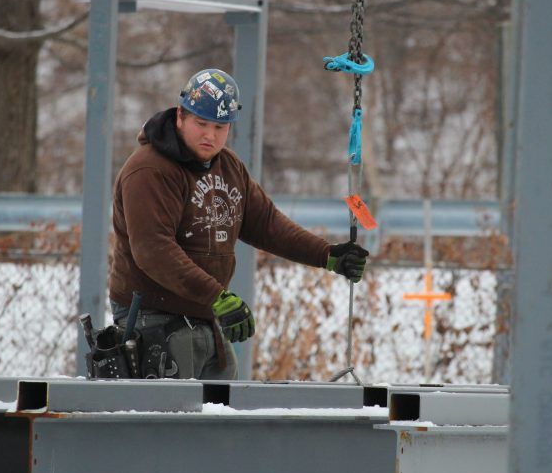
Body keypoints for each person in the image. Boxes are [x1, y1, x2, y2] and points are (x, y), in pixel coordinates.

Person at [108, 68, 369, 380]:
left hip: (204, 314)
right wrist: (217, 296)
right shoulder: (150, 169)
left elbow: (266, 224)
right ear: (180, 116)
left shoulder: (228, 165)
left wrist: (327, 255)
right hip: (151, 318)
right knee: (174, 422)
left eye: (220, 126)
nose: (210, 135)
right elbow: (153, 250)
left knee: (220, 415)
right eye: (201, 123)